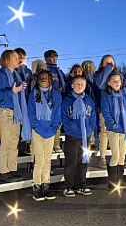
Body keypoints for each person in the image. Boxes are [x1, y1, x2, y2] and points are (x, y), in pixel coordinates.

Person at [0, 49, 32, 183]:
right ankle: (4, 171)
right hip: (5, 111)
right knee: (6, 142)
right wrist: (13, 90)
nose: (18, 60)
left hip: (16, 112)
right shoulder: (1, 76)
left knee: (14, 142)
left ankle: (12, 168)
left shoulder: (16, 75)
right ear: (7, 60)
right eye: (15, 58)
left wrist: (22, 87)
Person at [27, 69, 62, 201]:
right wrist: (37, 126)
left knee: (47, 160)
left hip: (51, 130)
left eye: (45, 77)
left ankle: (46, 185)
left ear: (50, 79)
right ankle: (37, 186)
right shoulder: (33, 94)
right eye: (41, 77)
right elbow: (31, 113)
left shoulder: (56, 95)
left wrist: (54, 128)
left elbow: (58, 113)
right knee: (39, 160)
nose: (43, 79)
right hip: (37, 130)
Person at [61, 75, 96, 197]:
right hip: (72, 136)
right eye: (77, 84)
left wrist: (90, 128)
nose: (80, 86)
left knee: (83, 161)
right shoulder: (67, 100)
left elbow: (93, 117)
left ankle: (81, 185)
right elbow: (64, 118)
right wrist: (72, 128)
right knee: (71, 162)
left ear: (85, 86)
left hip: (85, 136)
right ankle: (68, 186)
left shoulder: (89, 100)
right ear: (72, 85)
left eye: (82, 84)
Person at [93, 55, 126, 169]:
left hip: (119, 106)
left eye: (111, 61)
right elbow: (100, 84)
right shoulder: (99, 74)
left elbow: (125, 88)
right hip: (104, 106)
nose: (109, 63)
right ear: (102, 63)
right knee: (104, 133)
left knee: (120, 134)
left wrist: (118, 91)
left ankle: (120, 158)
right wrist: (108, 69)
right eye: (107, 62)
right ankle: (103, 158)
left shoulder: (120, 75)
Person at [101, 71, 126, 190]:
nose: (116, 83)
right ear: (109, 83)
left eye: (118, 81)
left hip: (124, 129)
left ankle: (120, 181)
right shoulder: (107, 96)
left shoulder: (124, 96)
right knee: (115, 155)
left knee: (122, 156)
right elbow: (106, 113)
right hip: (114, 129)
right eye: (114, 81)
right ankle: (112, 182)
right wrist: (113, 125)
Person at [44, 50, 67, 153]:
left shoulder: (59, 71)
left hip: (60, 100)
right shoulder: (45, 70)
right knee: (49, 123)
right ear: (46, 59)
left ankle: (56, 144)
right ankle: (49, 145)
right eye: (49, 57)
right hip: (48, 100)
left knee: (57, 123)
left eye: (54, 57)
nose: (52, 59)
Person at [15, 47, 33, 155]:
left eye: (22, 57)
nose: (20, 59)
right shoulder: (13, 70)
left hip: (27, 101)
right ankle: (18, 146)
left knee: (27, 124)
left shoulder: (28, 71)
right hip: (17, 102)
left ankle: (25, 145)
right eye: (18, 57)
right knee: (18, 125)